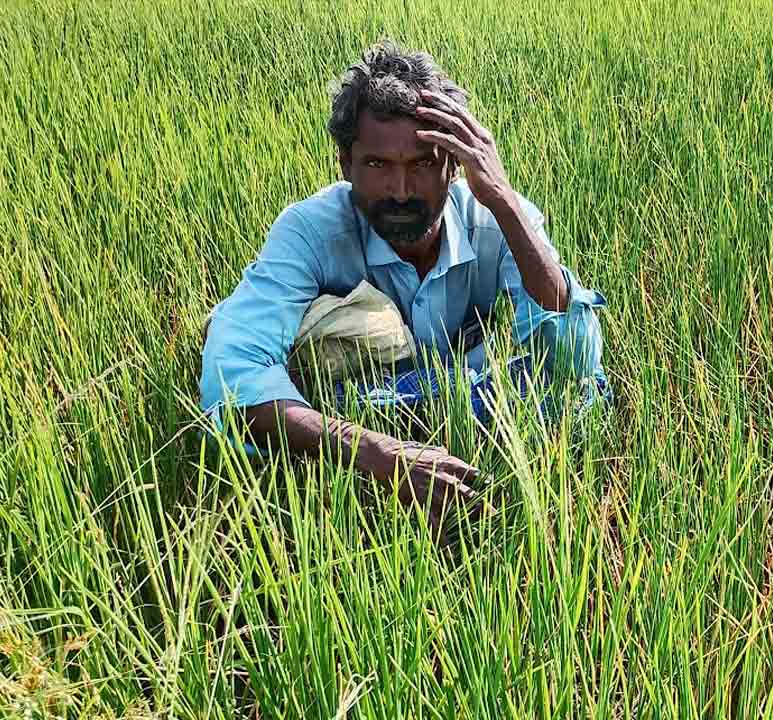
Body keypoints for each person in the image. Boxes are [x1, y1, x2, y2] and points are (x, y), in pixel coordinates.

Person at [199, 40, 607, 531]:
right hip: (363, 410)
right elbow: (232, 374)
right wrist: (377, 452)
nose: (400, 191)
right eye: (377, 166)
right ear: (345, 164)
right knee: (319, 406)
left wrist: (503, 201)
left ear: (455, 165)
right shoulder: (311, 231)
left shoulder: (497, 219)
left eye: (422, 163)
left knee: (577, 398)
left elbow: (577, 355)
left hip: (468, 390)